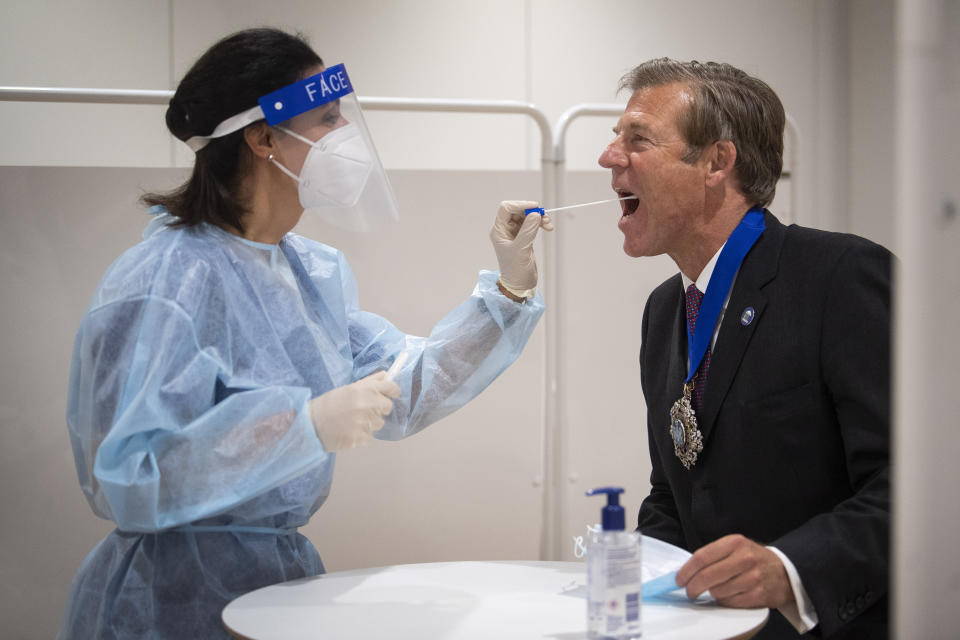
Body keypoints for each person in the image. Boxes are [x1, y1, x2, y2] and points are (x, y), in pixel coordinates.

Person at [59, 28, 552, 639]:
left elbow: (402, 388)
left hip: (279, 590)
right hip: (169, 603)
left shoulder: (308, 272)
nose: (345, 137)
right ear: (263, 136)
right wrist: (302, 426)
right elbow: (129, 479)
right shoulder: (164, 283)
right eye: (326, 119)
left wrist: (507, 293)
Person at [598, 59, 890, 638]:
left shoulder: (841, 277)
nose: (609, 158)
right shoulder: (664, 312)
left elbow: (916, 487)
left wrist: (789, 568)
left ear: (716, 162)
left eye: (638, 140)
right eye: (615, 141)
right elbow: (675, 489)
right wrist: (627, 580)